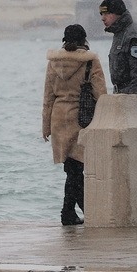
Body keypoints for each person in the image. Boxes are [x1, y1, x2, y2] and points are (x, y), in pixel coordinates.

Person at [43, 23, 107, 226]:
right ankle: (82, 211)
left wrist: (45, 126)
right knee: (76, 168)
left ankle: (68, 212)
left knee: (72, 169)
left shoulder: (54, 62)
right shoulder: (91, 62)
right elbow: (101, 94)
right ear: (84, 40)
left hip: (59, 118)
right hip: (81, 118)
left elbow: (48, 96)